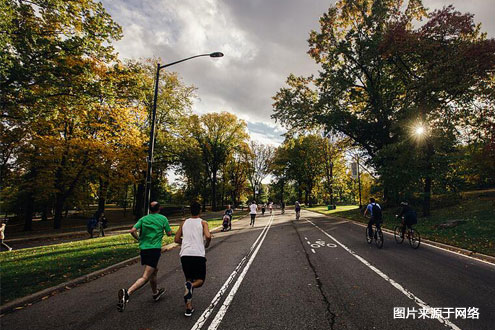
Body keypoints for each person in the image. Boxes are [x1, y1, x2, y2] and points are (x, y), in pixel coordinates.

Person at [117, 201, 172, 312]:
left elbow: (132, 230)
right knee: (146, 276)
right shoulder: (163, 219)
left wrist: (139, 239)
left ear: (149, 209)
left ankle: (155, 293)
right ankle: (127, 293)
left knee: (154, 270)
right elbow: (169, 233)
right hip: (154, 250)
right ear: (159, 208)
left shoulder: (143, 219)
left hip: (144, 250)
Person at [174, 201, 212, 317]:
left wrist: (184, 242)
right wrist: (206, 244)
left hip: (185, 254)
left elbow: (176, 239)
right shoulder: (203, 222)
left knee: (189, 279)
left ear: (190, 211)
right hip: (198, 254)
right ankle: (191, 287)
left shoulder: (183, 222)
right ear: (200, 211)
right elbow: (208, 236)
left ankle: (188, 308)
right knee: (200, 280)